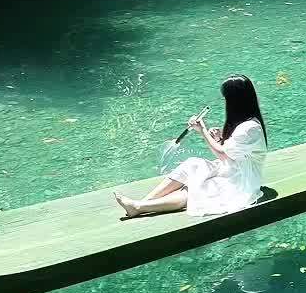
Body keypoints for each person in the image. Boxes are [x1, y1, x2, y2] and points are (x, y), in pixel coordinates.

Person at [115, 76, 269, 218]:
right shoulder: (245, 123)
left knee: (197, 188)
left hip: (241, 179)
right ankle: (145, 201)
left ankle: (139, 207)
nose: (224, 102)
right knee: (192, 164)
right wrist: (220, 138)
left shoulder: (249, 128)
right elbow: (234, 150)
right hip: (231, 169)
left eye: (226, 98)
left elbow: (223, 155)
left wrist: (203, 130)